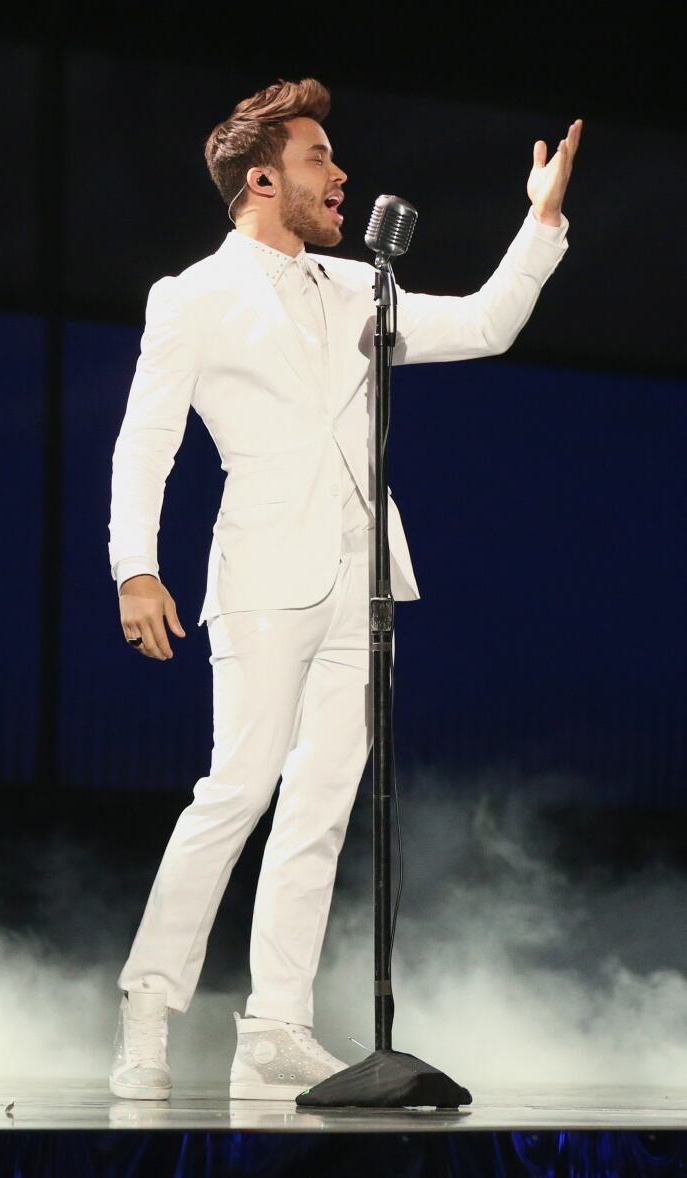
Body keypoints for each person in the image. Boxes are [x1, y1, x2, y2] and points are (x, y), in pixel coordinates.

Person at [106, 77, 582, 1102]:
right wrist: (133, 567)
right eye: (321, 158)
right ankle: (148, 1005)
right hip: (263, 576)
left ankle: (273, 1029)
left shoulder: (355, 288)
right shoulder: (191, 297)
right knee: (236, 790)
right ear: (263, 177)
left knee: (320, 808)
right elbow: (145, 441)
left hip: (361, 583)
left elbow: (486, 325)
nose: (341, 174)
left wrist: (539, 221)